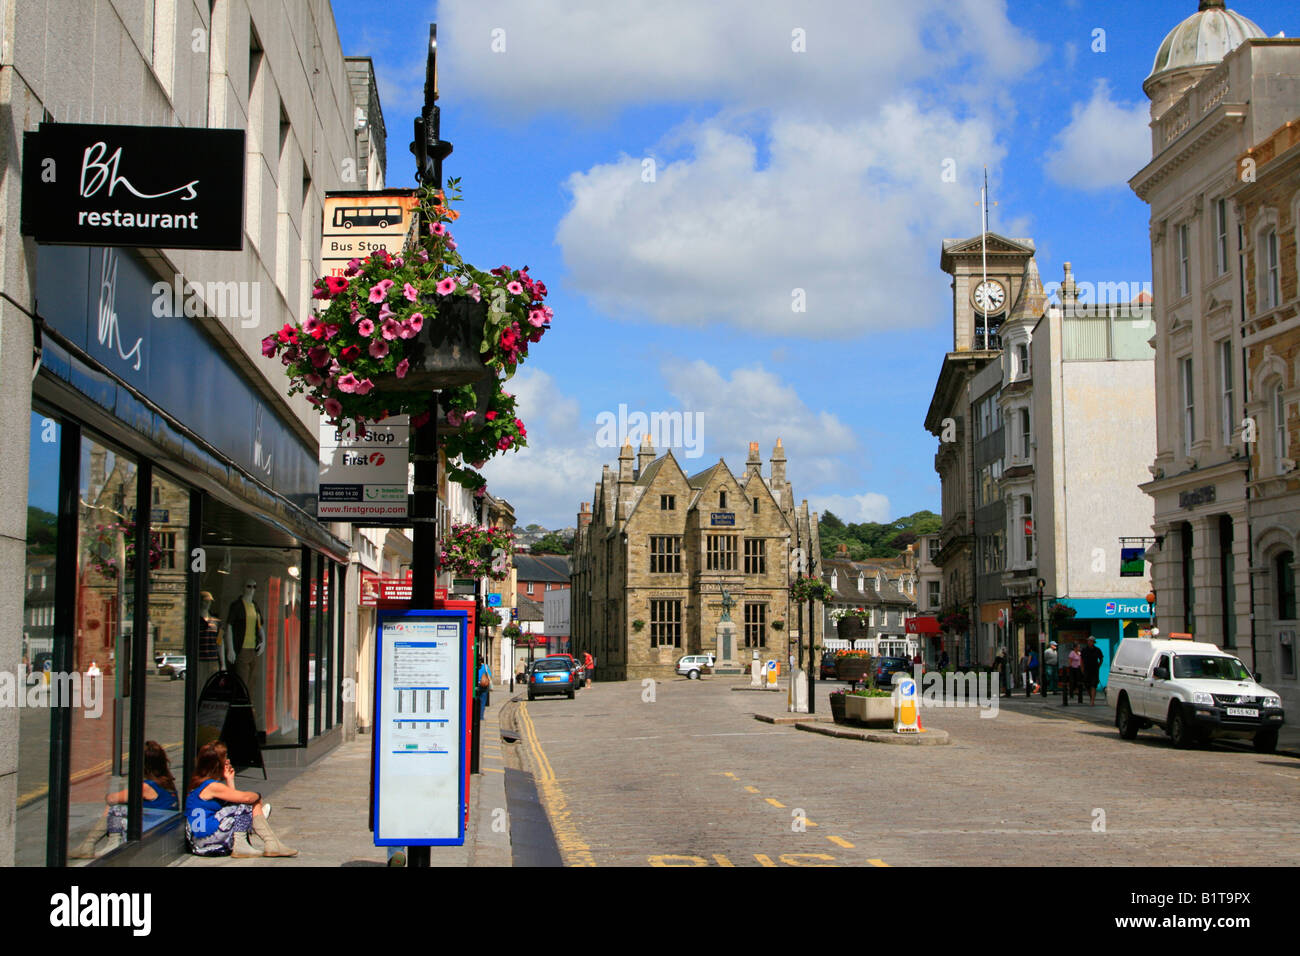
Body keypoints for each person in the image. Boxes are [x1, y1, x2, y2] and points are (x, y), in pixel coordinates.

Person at [185, 741, 296, 857]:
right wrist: (258, 795)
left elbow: (232, 800)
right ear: (218, 764)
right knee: (247, 803)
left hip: (199, 841)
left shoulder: (199, 784)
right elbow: (245, 798)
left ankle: (270, 842)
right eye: (225, 757)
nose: (228, 760)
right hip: (209, 837)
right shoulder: (213, 786)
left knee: (242, 804)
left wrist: (229, 779)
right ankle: (258, 839)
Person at [71, 740, 179, 859]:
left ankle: (104, 843)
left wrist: (107, 795)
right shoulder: (167, 782)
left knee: (115, 807)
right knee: (124, 805)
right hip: (164, 829)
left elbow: (112, 798)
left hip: (152, 832)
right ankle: (88, 845)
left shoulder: (146, 786)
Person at [1082, 636, 1105, 706]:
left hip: (1094, 670)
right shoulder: (1084, 650)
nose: (1089, 642)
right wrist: (1082, 668)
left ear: (1093, 642)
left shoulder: (1097, 650)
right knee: (1087, 685)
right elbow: (1081, 660)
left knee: (1093, 685)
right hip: (1086, 670)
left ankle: (1092, 700)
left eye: (1091, 641)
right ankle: (1091, 697)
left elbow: (1101, 658)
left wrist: (1099, 665)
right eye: (1088, 641)